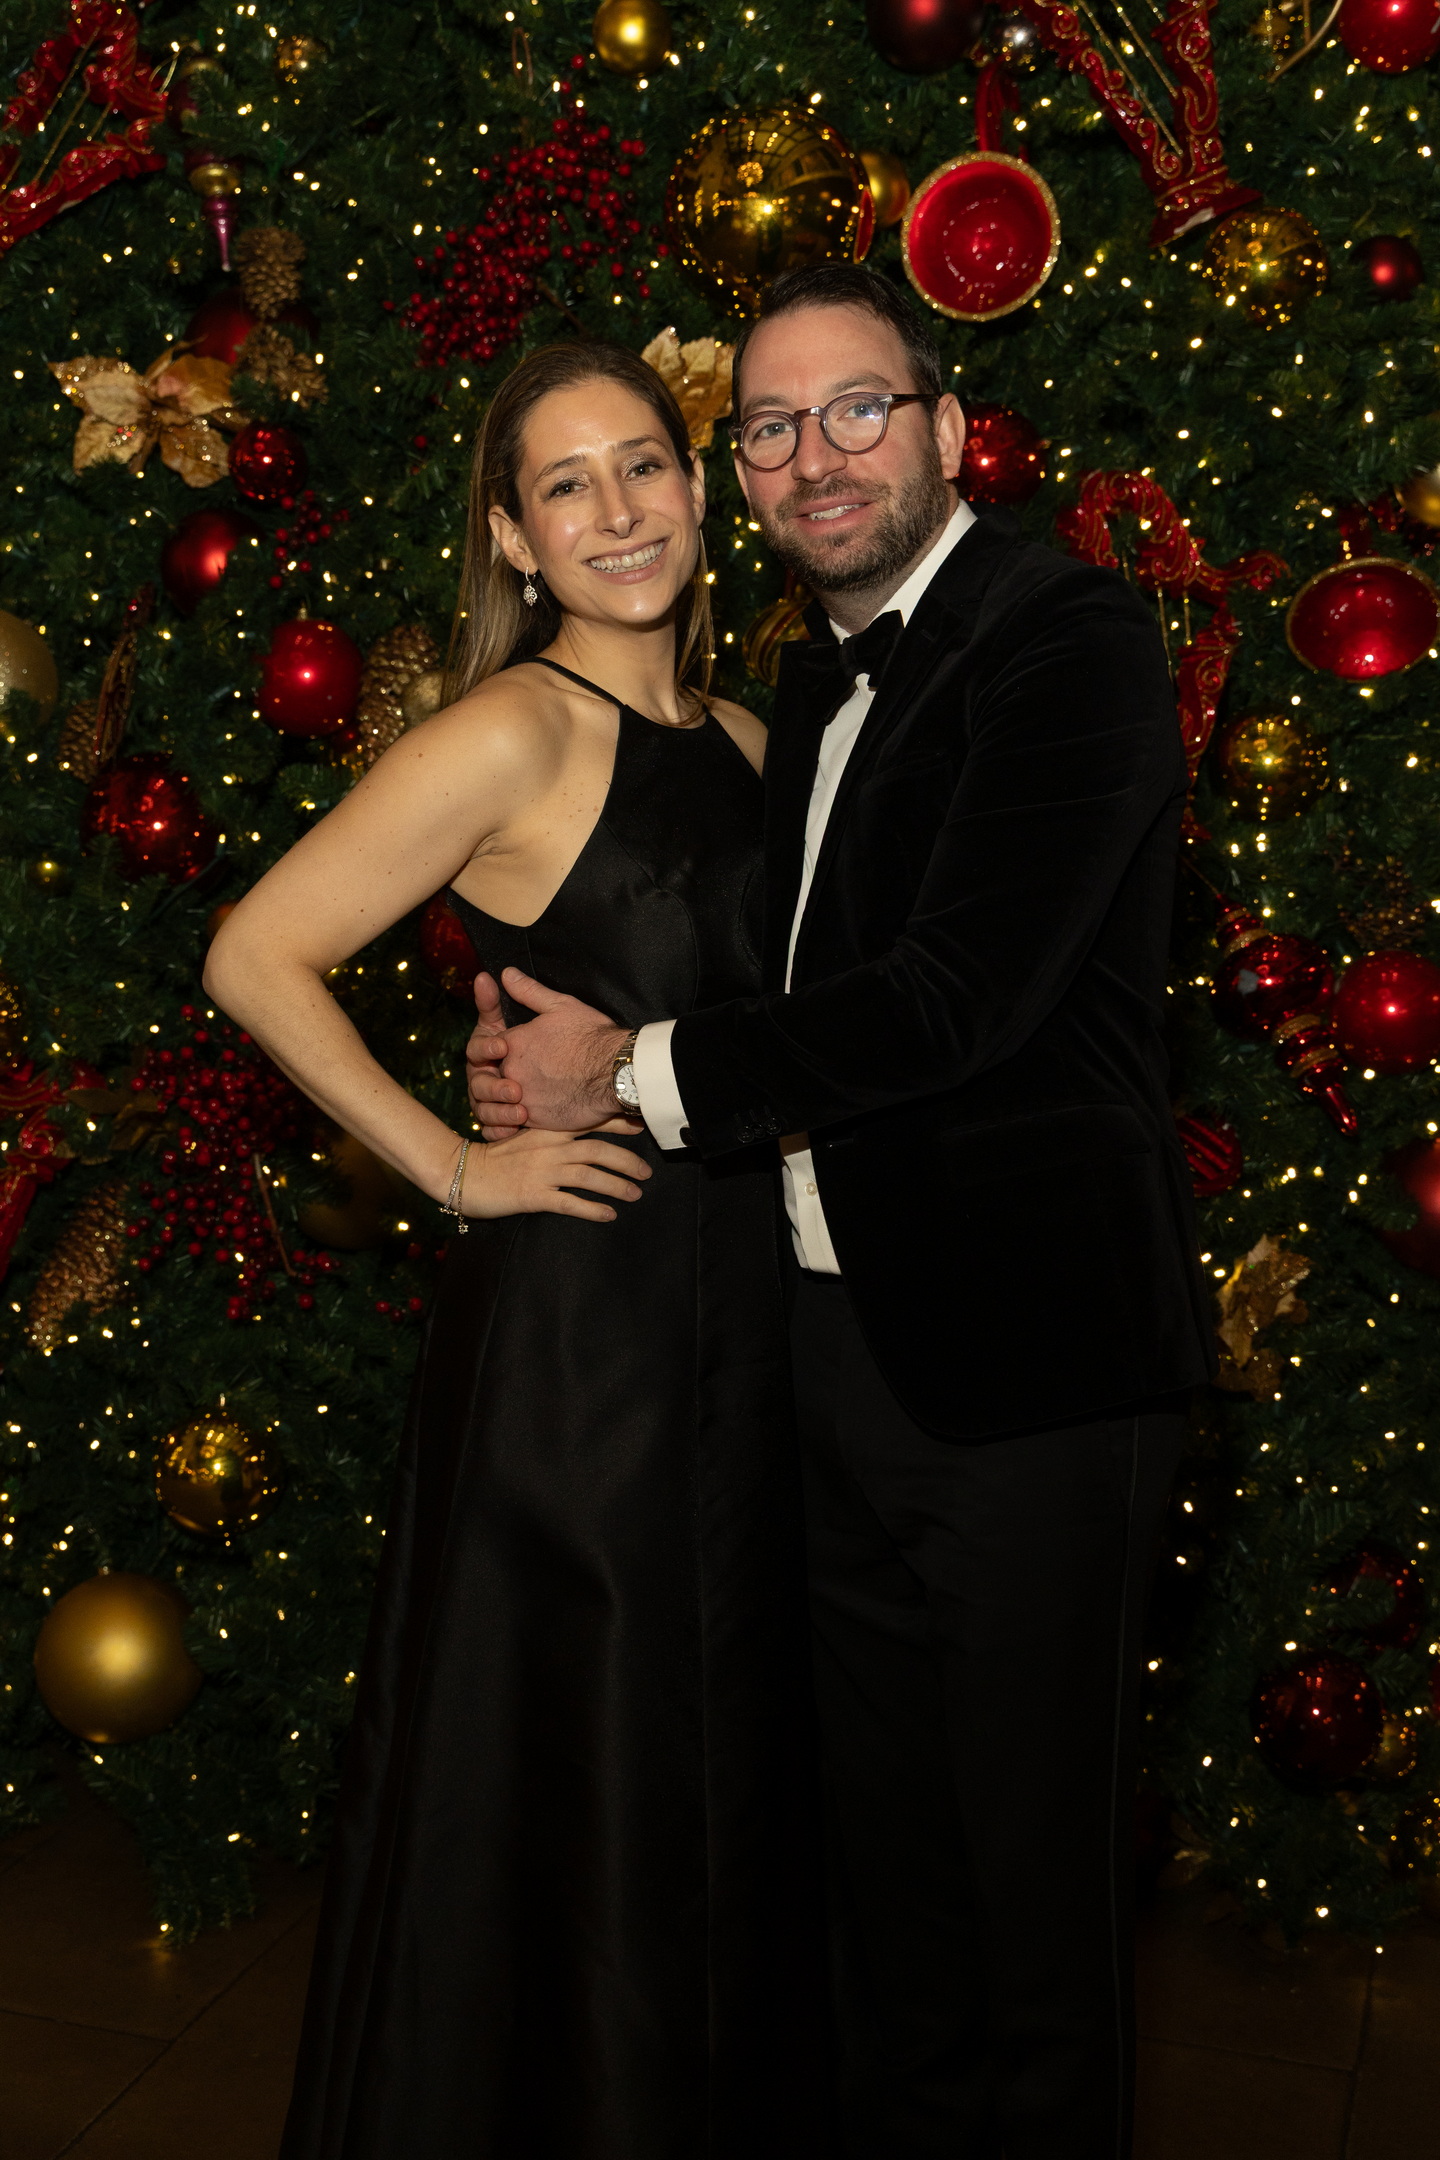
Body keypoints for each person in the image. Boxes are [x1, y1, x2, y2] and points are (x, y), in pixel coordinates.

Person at [464, 263, 1218, 2160]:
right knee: (884, 1901)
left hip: (1032, 1376)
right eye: (774, 427)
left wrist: (625, 1074)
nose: (819, 457)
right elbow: (770, 983)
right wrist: (540, 1064)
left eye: (860, 409)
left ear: (950, 428)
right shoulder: (799, 689)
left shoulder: (1071, 637)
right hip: (823, 1356)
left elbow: (952, 1002)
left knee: (1028, 1918)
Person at [203, 340, 834, 2160]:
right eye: (567, 485)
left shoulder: (752, 740)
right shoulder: (512, 732)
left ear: (700, 493)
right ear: (513, 534)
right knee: (592, 1766)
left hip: (754, 1334)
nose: (617, 512)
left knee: (725, 1775)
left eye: (642, 466)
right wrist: (455, 1172)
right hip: (584, 1350)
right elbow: (253, 953)